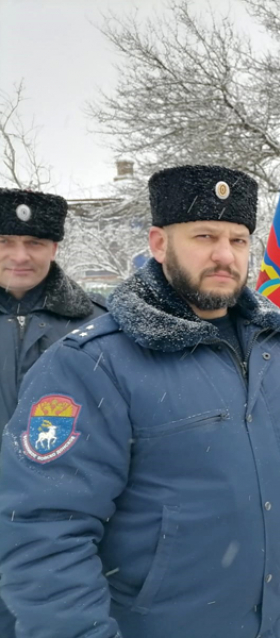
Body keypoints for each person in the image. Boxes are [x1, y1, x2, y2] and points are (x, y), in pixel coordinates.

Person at [0, 166, 280, 638]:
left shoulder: (279, 345)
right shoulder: (92, 363)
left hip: (268, 621)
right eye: (204, 236)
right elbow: (44, 530)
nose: (224, 255)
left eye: (238, 239)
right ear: (158, 243)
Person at [0, 187, 107, 635]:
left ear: (55, 247)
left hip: (63, 537)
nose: (20, 256)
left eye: (35, 243)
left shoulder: (99, 327)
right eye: (5, 241)